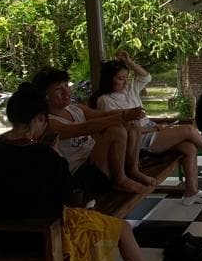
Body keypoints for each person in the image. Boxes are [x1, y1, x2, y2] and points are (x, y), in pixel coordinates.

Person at [0, 82, 187, 261]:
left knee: (88, 220)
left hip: (3, 232)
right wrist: (57, 155)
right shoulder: (44, 155)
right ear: (40, 118)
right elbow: (67, 196)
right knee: (119, 227)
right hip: (41, 235)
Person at [90, 58, 202, 204]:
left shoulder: (129, 90)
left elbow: (146, 77)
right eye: (120, 78)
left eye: (126, 77)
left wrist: (129, 61)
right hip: (139, 140)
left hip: (152, 131)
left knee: (189, 147)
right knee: (188, 130)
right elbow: (123, 131)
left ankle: (191, 192)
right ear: (108, 79)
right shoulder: (105, 100)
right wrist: (156, 128)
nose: (125, 82)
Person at [33, 66, 148, 196]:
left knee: (134, 124)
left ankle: (133, 170)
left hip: (97, 162)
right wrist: (123, 116)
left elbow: (102, 115)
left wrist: (129, 113)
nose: (66, 92)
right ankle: (121, 179)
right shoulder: (48, 123)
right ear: (45, 96)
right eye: (59, 89)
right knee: (116, 130)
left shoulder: (75, 108)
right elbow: (84, 128)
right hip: (83, 176)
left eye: (66, 86)